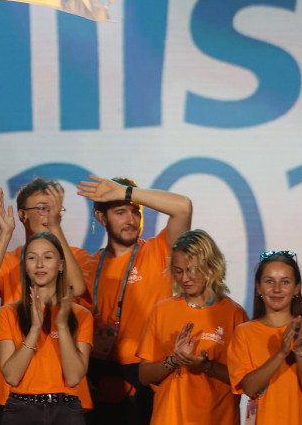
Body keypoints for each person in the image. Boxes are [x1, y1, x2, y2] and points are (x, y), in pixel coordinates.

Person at [76, 176, 192, 424]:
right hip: (95, 386)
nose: (131, 220)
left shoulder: (159, 251)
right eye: (120, 212)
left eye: (135, 212)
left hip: (145, 387)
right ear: (101, 218)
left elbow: (183, 207)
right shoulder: (86, 266)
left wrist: (126, 193)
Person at [0, 179, 89, 423]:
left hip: (65, 393)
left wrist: (56, 229)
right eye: (41, 208)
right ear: (22, 215)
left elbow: (76, 287)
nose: (48, 215)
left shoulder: (73, 256)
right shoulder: (11, 261)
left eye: (54, 208)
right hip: (15, 391)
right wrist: (6, 234)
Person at [137, 229, 247, 425]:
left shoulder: (234, 314)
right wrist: (173, 360)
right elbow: (144, 376)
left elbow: (245, 381)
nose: (185, 278)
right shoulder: (162, 310)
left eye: (192, 270)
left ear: (211, 266)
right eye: (178, 271)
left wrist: (206, 366)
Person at [0, 232, 92, 424]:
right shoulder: (8, 312)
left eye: (48, 257)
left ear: (61, 265)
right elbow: (12, 377)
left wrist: (62, 325)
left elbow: (74, 378)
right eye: (32, 258)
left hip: (66, 411)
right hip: (21, 409)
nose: (39, 264)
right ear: (25, 266)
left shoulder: (81, 315)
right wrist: (34, 330)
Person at [228, 251, 302, 423]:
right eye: (269, 281)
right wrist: (281, 353)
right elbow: (249, 388)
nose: (277, 289)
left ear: (297, 288)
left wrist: (300, 350)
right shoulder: (244, 333)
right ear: (258, 287)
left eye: (285, 282)